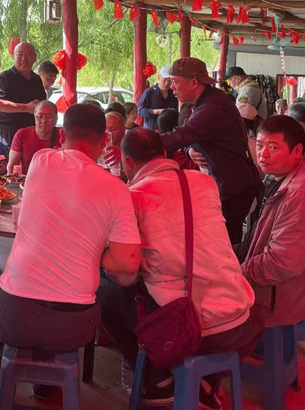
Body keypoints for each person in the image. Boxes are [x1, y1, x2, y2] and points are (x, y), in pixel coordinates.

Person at [0, 104, 142, 408]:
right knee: (59, 309)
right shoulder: (117, 188)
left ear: (61, 136)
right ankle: (45, 386)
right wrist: (91, 249)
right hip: (77, 326)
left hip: (14, 316)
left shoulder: (41, 161)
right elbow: (127, 263)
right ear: (104, 140)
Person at [99, 129, 260, 408]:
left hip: (192, 329)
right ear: (164, 155)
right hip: (242, 321)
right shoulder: (205, 182)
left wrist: (102, 257)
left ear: (127, 162)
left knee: (105, 296)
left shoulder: (132, 197)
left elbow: (125, 274)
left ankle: (157, 379)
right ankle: (204, 383)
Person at [240, 116, 305, 327]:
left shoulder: (301, 196)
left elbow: (281, 264)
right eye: (259, 146)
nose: (263, 154)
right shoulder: (289, 172)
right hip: (267, 263)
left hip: (281, 293)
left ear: (297, 151)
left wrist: (237, 273)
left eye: (273, 147)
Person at [161, 58, 262, 244]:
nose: (172, 87)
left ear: (193, 82)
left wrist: (140, 142)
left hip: (234, 187)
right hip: (231, 184)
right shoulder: (210, 99)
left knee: (223, 245)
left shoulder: (212, 108)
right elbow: (192, 135)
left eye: (175, 81)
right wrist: (190, 150)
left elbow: (181, 135)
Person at [0, 42, 46, 147]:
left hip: (31, 133)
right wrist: (26, 108)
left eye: (28, 54)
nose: (24, 59)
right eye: (19, 55)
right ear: (14, 56)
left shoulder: (36, 79)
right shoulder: (5, 77)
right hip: (8, 134)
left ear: (34, 57)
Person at [7, 100, 62, 175]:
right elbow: (12, 166)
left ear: (56, 119)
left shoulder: (63, 136)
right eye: (40, 116)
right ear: (34, 117)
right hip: (27, 180)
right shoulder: (22, 134)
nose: (44, 121)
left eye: (49, 117)